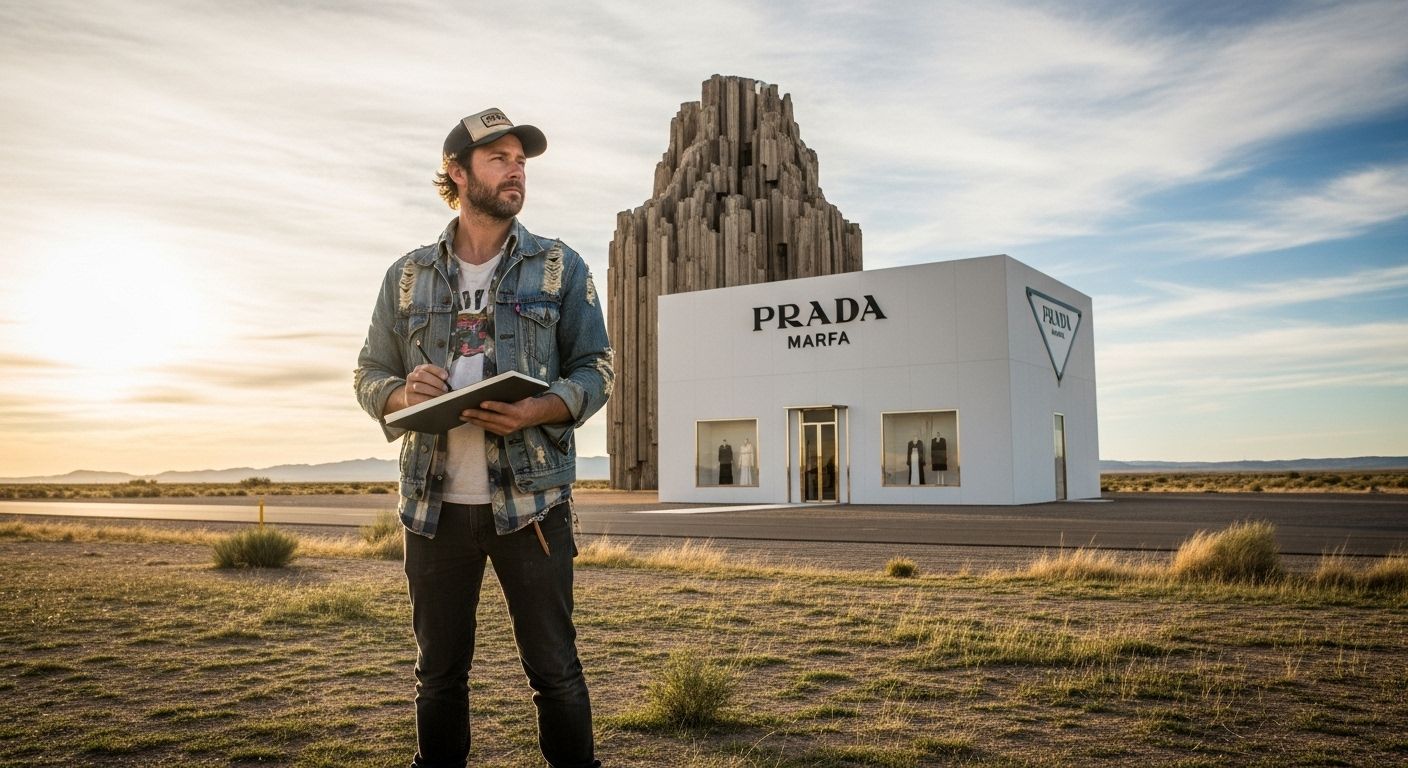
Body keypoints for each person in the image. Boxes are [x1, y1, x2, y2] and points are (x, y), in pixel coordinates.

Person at [354, 107, 612, 768]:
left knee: (555, 671)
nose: (515, 171)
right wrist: (402, 394)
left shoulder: (559, 267)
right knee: (437, 675)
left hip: (533, 506)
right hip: (432, 509)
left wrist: (537, 410)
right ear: (457, 172)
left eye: (520, 161)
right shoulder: (407, 275)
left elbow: (597, 369)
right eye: (499, 159)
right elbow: (369, 373)